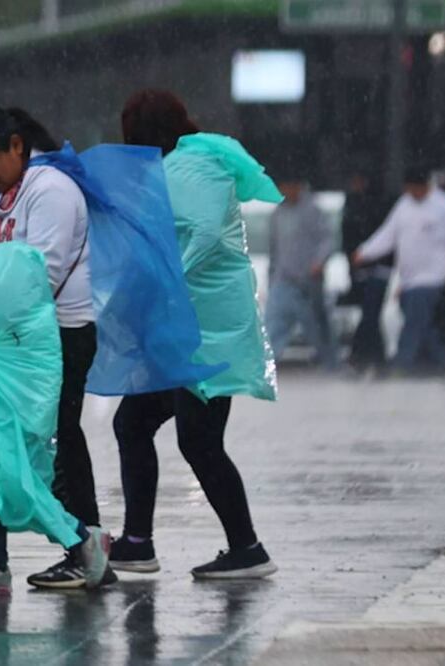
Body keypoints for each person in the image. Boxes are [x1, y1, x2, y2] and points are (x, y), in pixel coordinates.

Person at [0, 107, 111, 590]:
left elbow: (42, 273)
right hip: (6, 332)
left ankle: (86, 545)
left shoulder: (52, 190)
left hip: (60, 334)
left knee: (55, 439)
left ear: (17, 146)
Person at [108, 90, 278, 579]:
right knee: (134, 423)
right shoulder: (180, 165)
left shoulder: (197, 165)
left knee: (199, 440)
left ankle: (247, 548)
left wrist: (169, 279)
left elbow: (204, 233)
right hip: (185, 331)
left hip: (208, 333)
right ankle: (137, 543)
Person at [0, 243, 107, 595]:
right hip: (3, 420)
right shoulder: (12, 319)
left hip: (24, 421)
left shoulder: (27, 322)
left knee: (19, 488)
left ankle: (82, 539)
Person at [353, 168, 445, 375]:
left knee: (414, 325)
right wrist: (365, 252)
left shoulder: (444, 206)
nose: (412, 193)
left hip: (432, 278)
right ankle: (444, 363)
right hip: (407, 280)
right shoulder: (404, 206)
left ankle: (402, 365)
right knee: (427, 327)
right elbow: (388, 234)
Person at [264, 178, 338, 369]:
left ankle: (332, 366)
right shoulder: (278, 214)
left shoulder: (313, 211)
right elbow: (274, 250)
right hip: (283, 280)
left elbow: (328, 239)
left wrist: (319, 262)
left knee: (317, 329)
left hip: (308, 282)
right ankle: (264, 368)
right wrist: (271, 278)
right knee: (274, 325)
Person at [341, 171, 394, 374]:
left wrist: (364, 254)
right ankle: (377, 361)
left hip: (378, 269)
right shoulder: (353, 206)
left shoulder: (378, 207)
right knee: (371, 315)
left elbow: (385, 237)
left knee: (369, 315)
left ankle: (359, 356)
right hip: (361, 270)